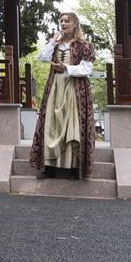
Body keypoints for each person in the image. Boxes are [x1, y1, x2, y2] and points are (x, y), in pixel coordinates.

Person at [29, 11, 96, 180]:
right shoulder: (56, 44)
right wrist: (53, 40)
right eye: (61, 21)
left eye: (67, 21)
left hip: (74, 88)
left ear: (75, 25)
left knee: (71, 126)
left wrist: (66, 68)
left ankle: (73, 168)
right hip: (55, 88)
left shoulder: (83, 45)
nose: (63, 24)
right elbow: (42, 57)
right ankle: (49, 167)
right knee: (52, 125)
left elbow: (87, 69)